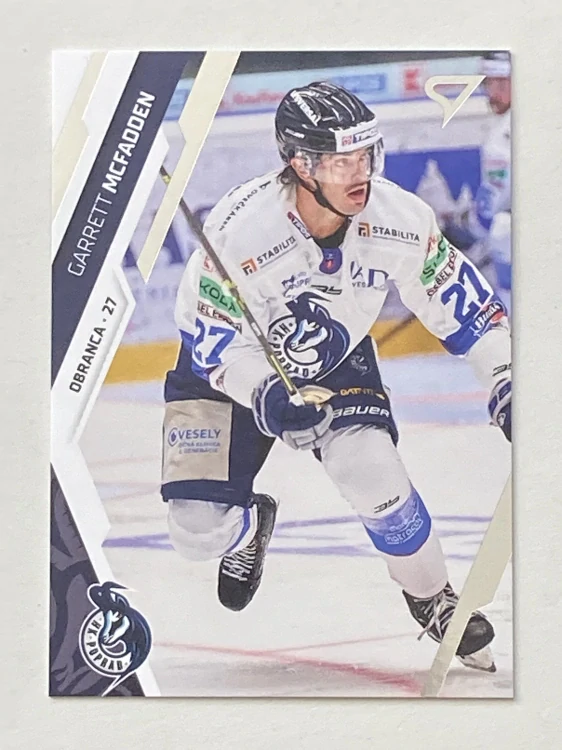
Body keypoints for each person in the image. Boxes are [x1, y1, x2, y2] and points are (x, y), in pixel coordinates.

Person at [161, 82, 512, 672]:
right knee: (194, 529)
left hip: (334, 356)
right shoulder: (238, 233)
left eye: (366, 154)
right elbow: (214, 349)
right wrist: (264, 395)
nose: (360, 173)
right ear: (301, 164)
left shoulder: (399, 218)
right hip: (226, 371)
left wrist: (507, 380)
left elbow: (468, 309)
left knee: (370, 471)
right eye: (341, 161)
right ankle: (249, 526)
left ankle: (432, 596)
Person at [474, 52, 512, 313]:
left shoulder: (502, 136)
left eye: (500, 82)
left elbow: (494, 203)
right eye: (488, 83)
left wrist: (474, 228)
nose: (491, 92)